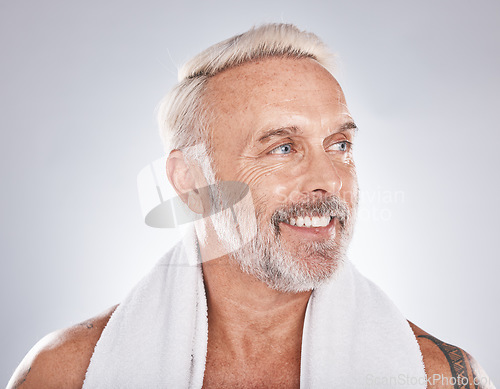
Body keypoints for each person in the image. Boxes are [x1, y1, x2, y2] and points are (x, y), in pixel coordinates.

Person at [8, 23, 494, 389]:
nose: (329, 179)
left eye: (340, 145)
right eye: (282, 147)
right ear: (190, 181)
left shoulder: (439, 377)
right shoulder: (66, 374)